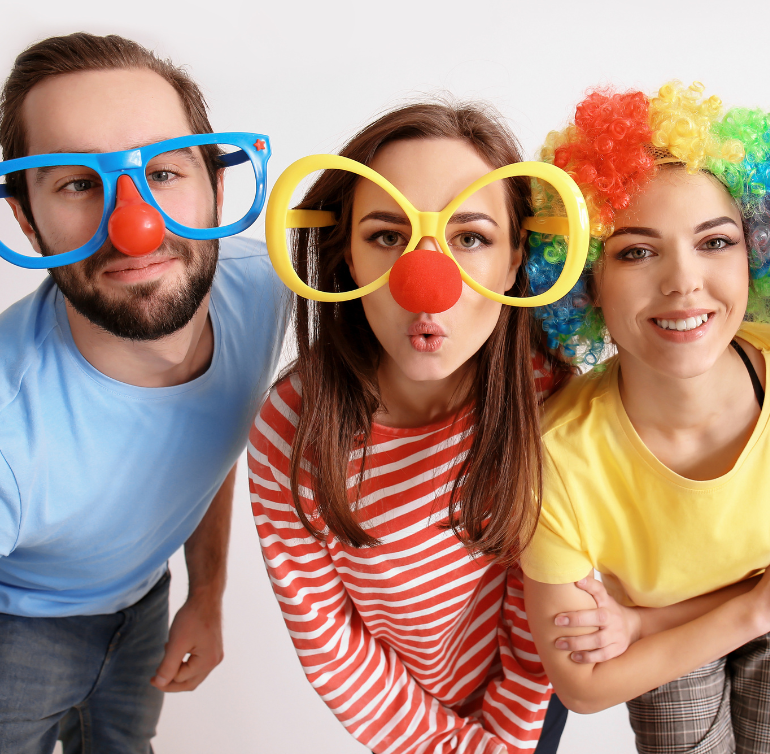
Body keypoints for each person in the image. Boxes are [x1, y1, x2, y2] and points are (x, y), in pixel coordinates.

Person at [0, 32, 288, 753]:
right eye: (75, 182)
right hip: (2, 627)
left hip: (143, 599)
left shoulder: (264, 293)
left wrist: (208, 593)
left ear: (215, 188)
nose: (134, 228)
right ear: (28, 221)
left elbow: (208, 440)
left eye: (162, 173)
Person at [519, 82, 770, 754]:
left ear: (753, 252)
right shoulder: (554, 451)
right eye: (636, 251)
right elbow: (583, 686)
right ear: (586, 279)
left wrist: (640, 622)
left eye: (714, 243)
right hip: (663, 633)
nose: (684, 282)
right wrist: (746, 607)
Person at [247, 101, 598, 753]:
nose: (425, 281)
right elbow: (333, 646)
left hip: (525, 701)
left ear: (515, 258)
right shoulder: (289, 432)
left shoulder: (552, 397)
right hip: (399, 719)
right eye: (386, 235)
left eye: (471, 238)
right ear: (347, 255)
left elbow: (536, 620)